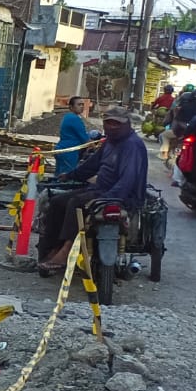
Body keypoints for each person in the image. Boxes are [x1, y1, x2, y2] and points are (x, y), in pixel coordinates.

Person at [37, 104, 148, 275]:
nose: (112, 127)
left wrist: (107, 198)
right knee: (57, 202)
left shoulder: (132, 145)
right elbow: (92, 165)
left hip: (123, 196)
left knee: (76, 203)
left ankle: (66, 252)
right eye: (109, 123)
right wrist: (70, 175)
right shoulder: (109, 142)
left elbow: (128, 180)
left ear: (127, 125)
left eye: (116, 124)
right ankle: (52, 248)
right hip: (101, 190)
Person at [53, 96, 91, 175]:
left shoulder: (68, 117)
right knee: (67, 175)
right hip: (69, 151)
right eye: (79, 104)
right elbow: (84, 138)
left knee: (59, 175)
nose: (82, 106)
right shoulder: (74, 119)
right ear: (71, 107)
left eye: (82, 104)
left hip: (62, 149)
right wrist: (95, 146)